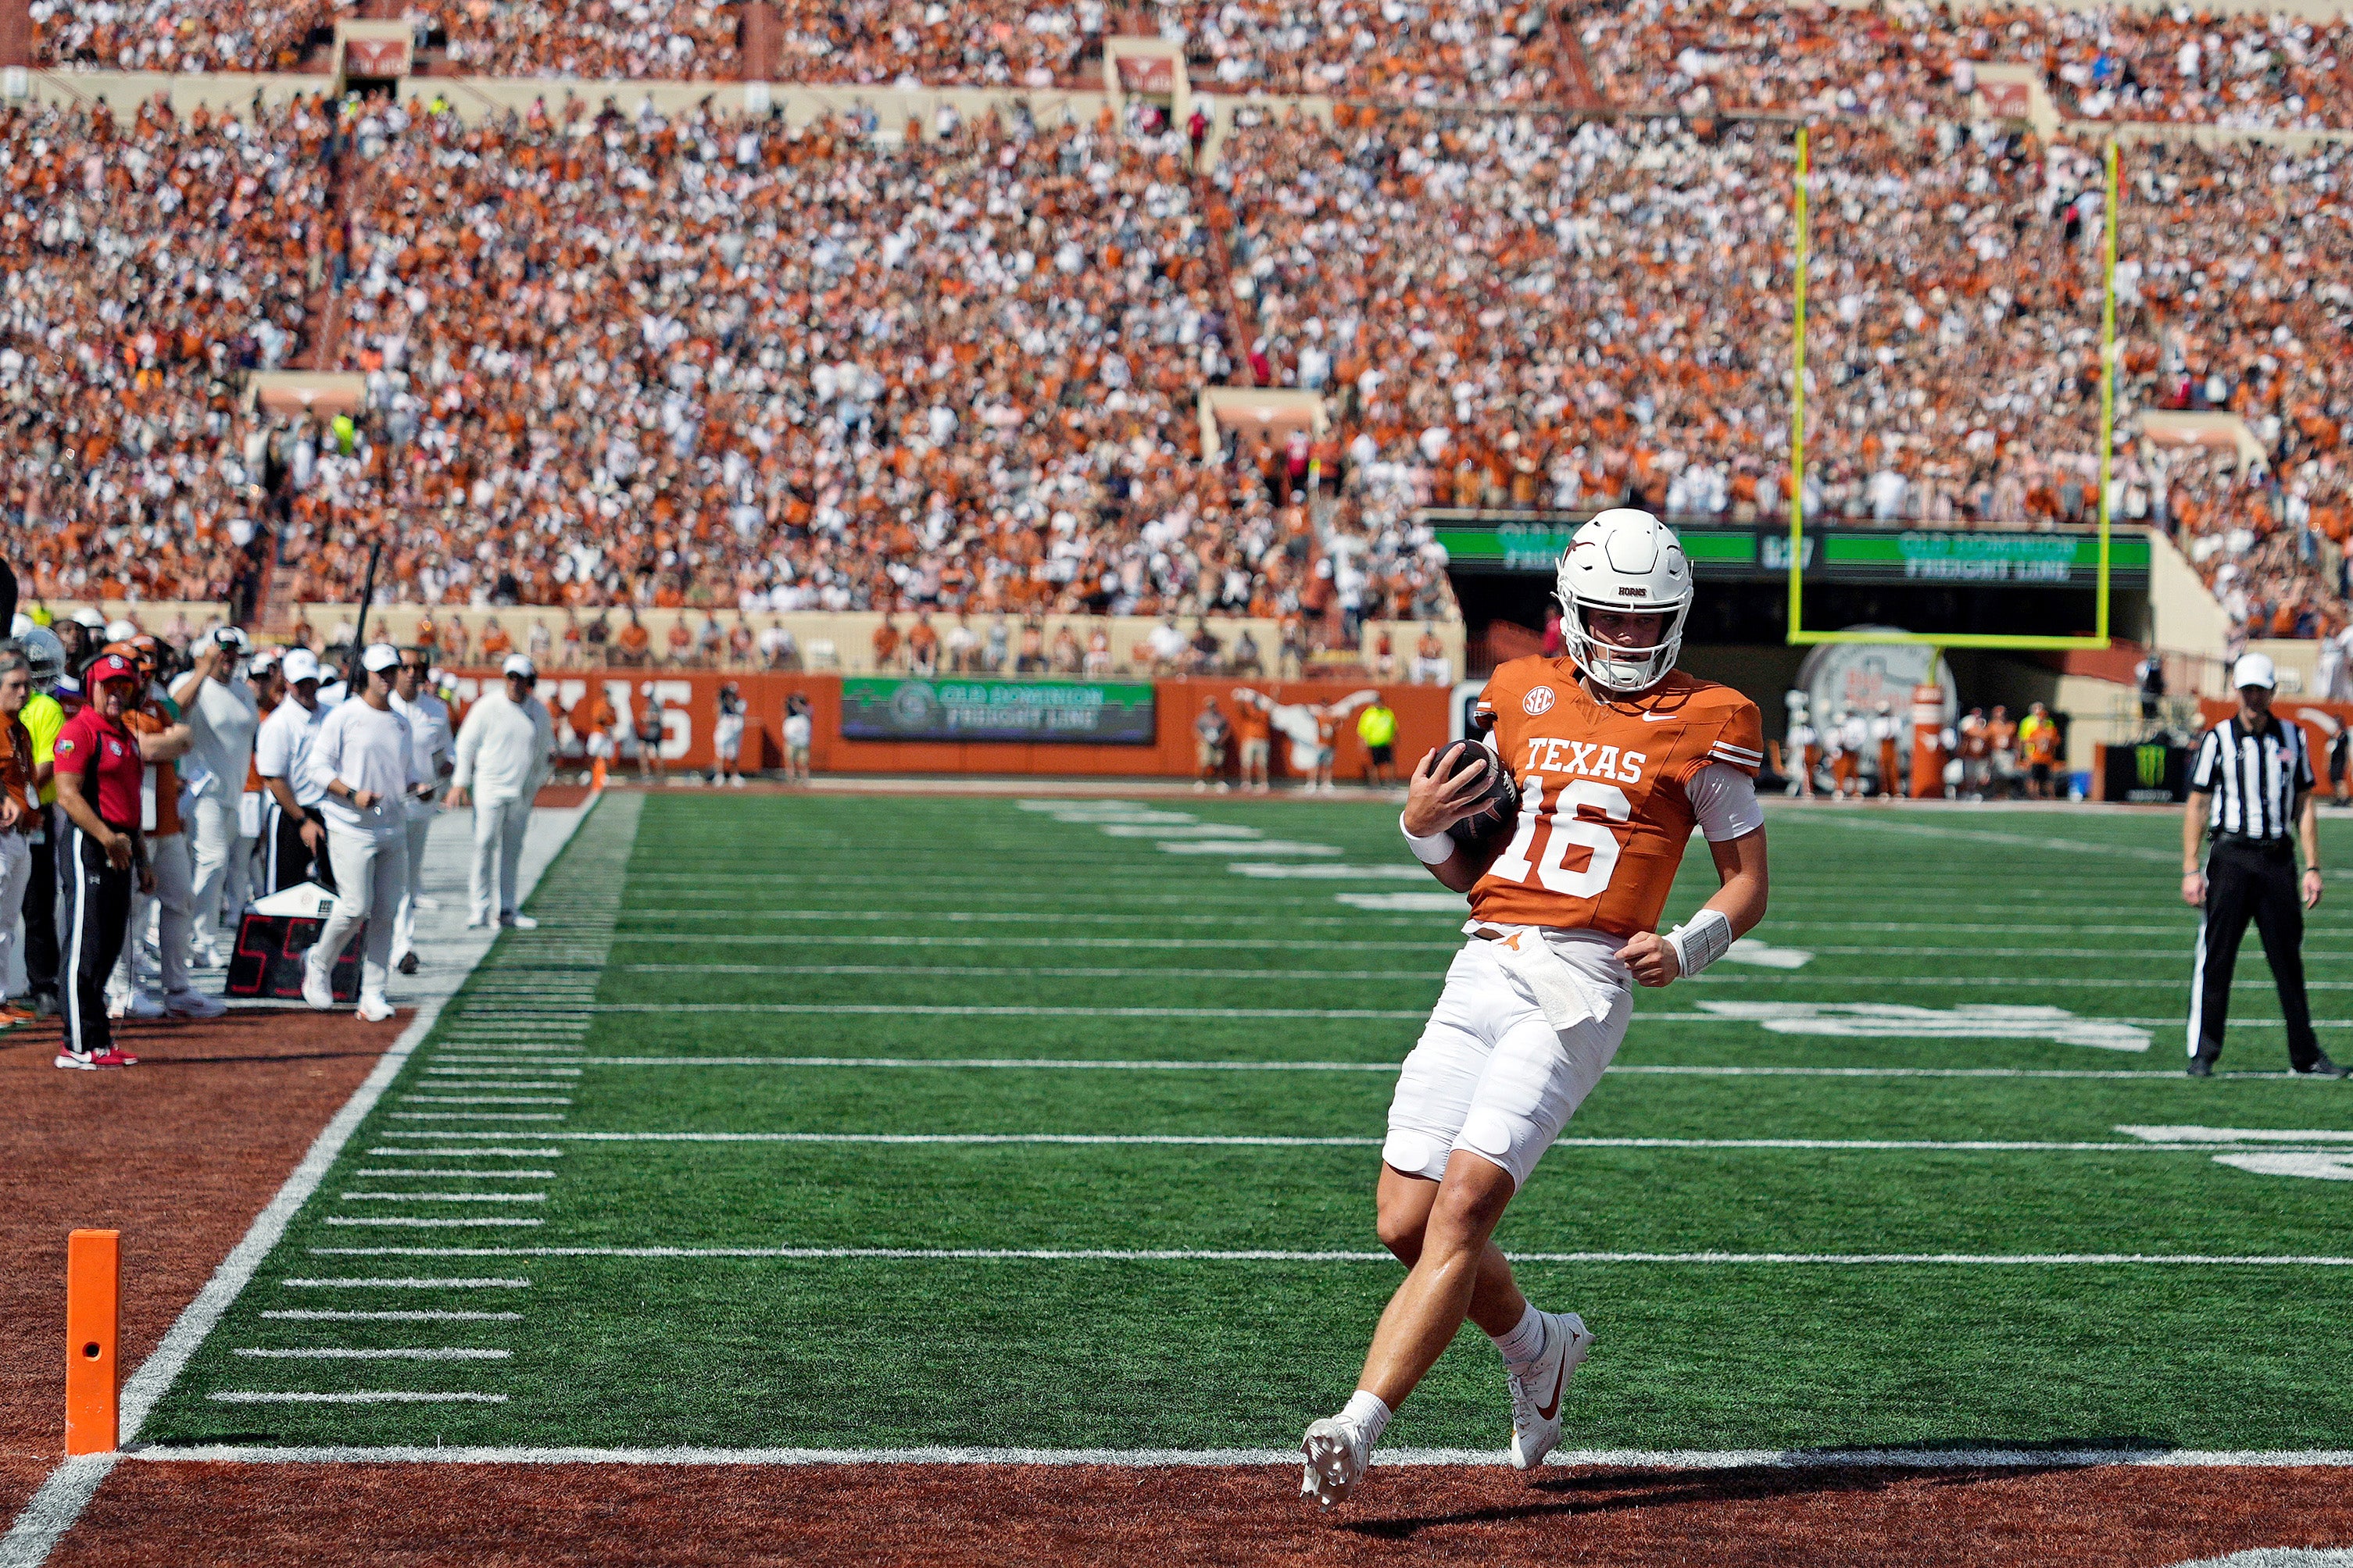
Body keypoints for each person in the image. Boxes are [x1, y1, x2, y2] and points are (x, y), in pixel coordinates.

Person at [1300, 509, 1769, 1504]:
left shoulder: (1712, 716)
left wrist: (1687, 944)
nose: (1633, 639)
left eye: (1650, 622)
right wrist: (1421, 832)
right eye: (1612, 619)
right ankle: (1536, 1347)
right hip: (1483, 960)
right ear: (1571, 614)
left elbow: (1746, 884)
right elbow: (1471, 866)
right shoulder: (1514, 692)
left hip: (1584, 982)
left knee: (1465, 1205)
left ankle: (1357, 1424)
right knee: (1402, 1219)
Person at [2182, 653, 2346, 1078]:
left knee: (2288, 960)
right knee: (2217, 958)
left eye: (2261, 689)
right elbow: (2198, 803)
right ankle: (2204, 1052)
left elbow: (2305, 803)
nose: (2254, 697)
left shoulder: (2293, 736)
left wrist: (2313, 866)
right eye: (2247, 689)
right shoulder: (2217, 738)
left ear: (2272, 692)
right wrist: (2189, 867)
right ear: (2238, 691)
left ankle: (2305, 1055)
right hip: (2231, 857)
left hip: (2276, 858)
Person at [303, 645, 426, 1023]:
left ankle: (374, 991)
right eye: (381, 671)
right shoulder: (345, 716)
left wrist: (418, 787)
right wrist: (352, 794)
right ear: (366, 675)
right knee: (356, 906)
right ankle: (319, 963)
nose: (388, 677)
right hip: (350, 825)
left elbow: (403, 775)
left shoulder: (402, 723)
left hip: (391, 825)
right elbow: (317, 768)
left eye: (392, 671)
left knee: (387, 911)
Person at [52, 654, 152, 1069]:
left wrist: (142, 857)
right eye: (108, 685)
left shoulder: (125, 735)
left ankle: (97, 1039)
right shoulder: (79, 730)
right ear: (91, 684)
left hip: (120, 844)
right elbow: (68, 795)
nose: (116, 693)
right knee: (84, 945)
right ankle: (76, 1044)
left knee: (108, 945)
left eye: (124, 686)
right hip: (90, 844)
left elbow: (131, 805)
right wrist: (107, 837)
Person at [110, 638, 213, 1020]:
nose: (144, 679)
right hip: (132, 823)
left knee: (181, 899)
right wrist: (165, 743)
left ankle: (177, 986)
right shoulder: (113, 707)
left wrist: (164, 743)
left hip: (167, 821)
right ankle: (125, 988)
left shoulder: (156, 704)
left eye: (148, 672)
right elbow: (150, 749)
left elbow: (184, 739)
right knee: (132, 909)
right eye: (138, 671)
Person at [173, 627, 259, 970]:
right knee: (213, 862)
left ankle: (195, 937)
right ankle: (198, 940)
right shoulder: (192, 683)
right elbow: (174, 709)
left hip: (233, 793)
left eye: (234, 652)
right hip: (201, 790)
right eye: (222, 652)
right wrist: (201, 669)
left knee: (214, 867)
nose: (229, 658)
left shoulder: (243, 691)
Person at [448, 654, 554, 930]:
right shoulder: (487, 706)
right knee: (483, 844)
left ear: (530, 681)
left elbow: (544, 752)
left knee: (513, 851)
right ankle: (479, 908)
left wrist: (533, 785)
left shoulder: (538, 712)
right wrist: (461, 781)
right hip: (489, 788)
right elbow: (466, 744)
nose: (515, 683)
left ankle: (507, 908)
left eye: (520, 678)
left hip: (520, 793)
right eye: (511, 677)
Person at [388, 648, 455, 975]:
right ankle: (387, 943)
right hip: (381, 806)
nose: (412, 673)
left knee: (408, 880)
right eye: (405, 667)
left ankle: (402, 945)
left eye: (417, 667)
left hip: (419, 807)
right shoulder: (382, 706)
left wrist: (447, 776)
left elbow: (445, 756)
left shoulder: (437, 710)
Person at [16, 626, 68, 1016]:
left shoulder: (45, 708)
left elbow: (45, 766)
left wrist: (15, 796)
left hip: (33, 813)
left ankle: (43, 983)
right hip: (13, 808)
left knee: (37, 902)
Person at [256, 648, 333, 893]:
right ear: (287, 682)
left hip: (329, 812)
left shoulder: (332, 716)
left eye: (311, 681)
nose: (307, 688)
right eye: (300, 683)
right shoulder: (278, 724)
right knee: (285, 891)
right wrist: (302, 820)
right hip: (292, 815)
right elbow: (273, 778)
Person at [0, 652, 39, 1020]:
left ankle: (1, 998)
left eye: (27, 684)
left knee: (8, 922)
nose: (24, 692)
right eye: (15, 685)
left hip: (19, 835)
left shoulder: (19, 728)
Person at [1231, 686, 1272, 793]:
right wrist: (1240, 700)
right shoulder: (1249, 712)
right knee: (1247, 763)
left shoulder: (1264, 712)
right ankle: (1246, 782)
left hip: (1263, 740)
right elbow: (1241, 710)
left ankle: (1263, 783)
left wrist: (1276, 694)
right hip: (1250, 740)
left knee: (1262, 764)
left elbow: (1272, 706)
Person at [2019, 702, 2061, 800]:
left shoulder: (2051, 728)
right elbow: (2025, 740)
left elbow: (2056, 741)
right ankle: (2033, 795)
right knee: (2033, 777)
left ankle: (2049, 795)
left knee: (2047, 779)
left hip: (2047, 757)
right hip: (2034, 756)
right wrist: (2025, 756)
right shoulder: (2032, 727)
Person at [1357, 695, 1399, 786]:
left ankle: (1390, 782)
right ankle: (1375, 783)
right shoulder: (1369, 714)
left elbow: (1394, 727)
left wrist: (1396, 738)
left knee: (1390, 763)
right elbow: (1362, 729)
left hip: (1386, 742)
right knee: (1374, 764)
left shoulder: (1388, 713)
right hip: (1374, 742)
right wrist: (1362, 742)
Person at [712, 681, 747, 788]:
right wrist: (721, 699)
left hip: (735, 731)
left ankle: (734, 776)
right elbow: (716, 712)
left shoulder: (741, 703)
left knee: (734, 755)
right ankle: (720, 776)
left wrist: (729, 701)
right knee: (720, 754)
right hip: (724, 730)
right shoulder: (722, 703)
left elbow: (737, 711)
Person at [1193, 697, 1231, 793]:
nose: (1212, 708)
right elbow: (1196, 729)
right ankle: (1200, 782)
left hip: (1218, 743)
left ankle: (1220, 783)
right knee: (1204, 762)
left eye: (1213, 705)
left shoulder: (1221, 717)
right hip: (1206, 743)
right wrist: (1203, 738)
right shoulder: (1202, 718)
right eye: (1210, 706)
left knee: (1219, 763)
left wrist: (1222, 739)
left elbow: (1227, 729)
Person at [1868, 702, 1901, 799]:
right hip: (1883, 745)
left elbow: (1898, 733)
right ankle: (1885, 790)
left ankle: (1895, 791)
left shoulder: (1895, 720)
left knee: (1894, 769)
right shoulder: (1877, 722)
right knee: (1883, 769)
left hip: (1892, 745)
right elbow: (1877, 735)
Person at [635, 686, 667, 782]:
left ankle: (654, 773)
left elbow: (658, 717)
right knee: (648, 751)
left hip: (654, 732)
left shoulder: (654, 704)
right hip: (651, 732)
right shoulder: (650, 703)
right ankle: (649, 773)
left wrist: (647, 718)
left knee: (649, 751)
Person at [782, 691, 813, 784]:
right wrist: (790, 703)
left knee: (804, 762)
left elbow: (809, 713)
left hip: (803, 741)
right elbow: (785, 710)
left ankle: (805, 779)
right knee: (790, 761)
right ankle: (792, 779)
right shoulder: (790, 713)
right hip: (791, 741)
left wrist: (799, 704)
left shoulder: (807, 711)